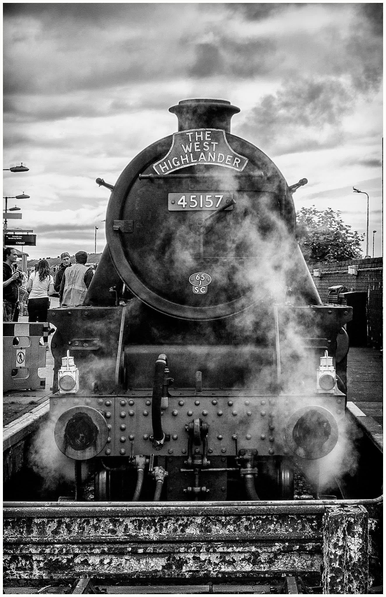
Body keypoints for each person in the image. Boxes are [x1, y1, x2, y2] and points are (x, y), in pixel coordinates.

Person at [3, 248, 23, 321]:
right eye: (14, 254)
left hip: (14, 302)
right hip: (6, 302)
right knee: (7, 326)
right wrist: (12, 278)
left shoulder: (13, 268)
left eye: (16, 255)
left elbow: (16, 285)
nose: (16, 256)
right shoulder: (3, 268)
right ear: (7, 255)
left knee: (12, 325)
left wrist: (19, 279)